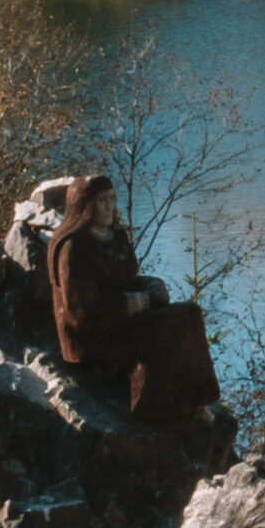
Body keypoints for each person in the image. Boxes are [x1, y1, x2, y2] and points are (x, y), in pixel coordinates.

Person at [43, 172, 220, 426]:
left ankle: (197, 401)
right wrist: (133, 303)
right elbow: (79, 312)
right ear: (85, 205)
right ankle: (150, 408)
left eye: (112, 199)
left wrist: (150, 286)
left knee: (189, 313)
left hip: (118, 319)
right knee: (161, 328)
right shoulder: (73, 247)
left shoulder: (115, 236)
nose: (109, 207)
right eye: (102, 201)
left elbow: (127, 279)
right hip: (92, 335)